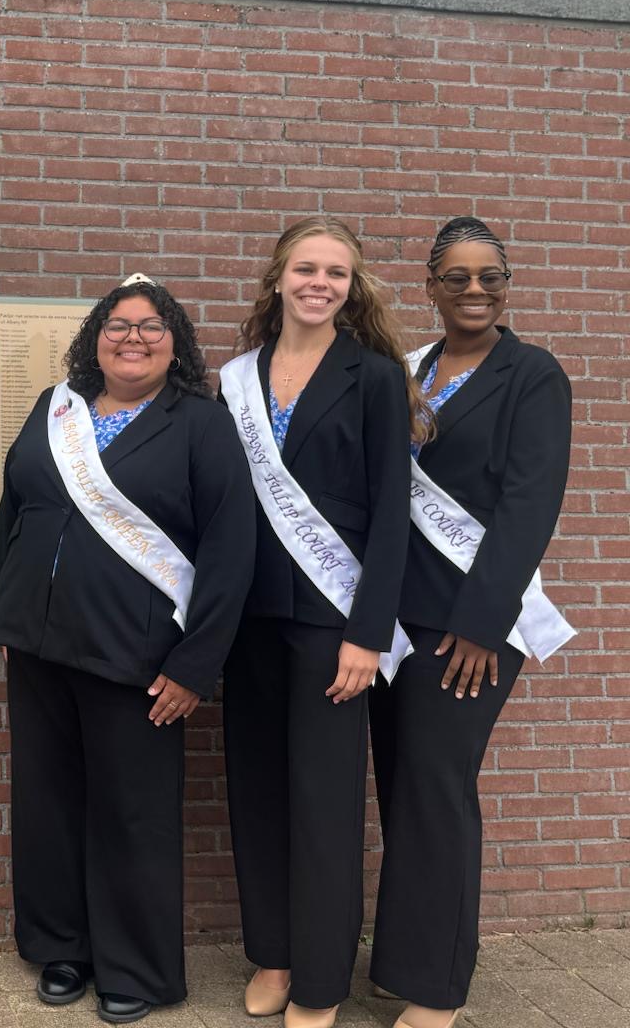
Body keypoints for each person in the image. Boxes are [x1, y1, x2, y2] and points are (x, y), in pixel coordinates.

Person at [0, 275, 255, 1024]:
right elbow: (17, 513)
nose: (132, 337)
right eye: (117, 325)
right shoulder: (55, 410)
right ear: (94, 339)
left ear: (176, 345)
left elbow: (232, 553)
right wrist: (10, 616)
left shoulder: (199, 423)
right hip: (40, 649)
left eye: (151, 327)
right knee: (48, 803)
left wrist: (194, 665)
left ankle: (135, 966)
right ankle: (62, 948)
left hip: (139, 659)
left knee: (131, 813)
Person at [217, 216, 423, 1028]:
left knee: (327, 805)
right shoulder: (237, 377)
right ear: (277, 278)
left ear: (352, 286)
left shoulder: (373, 376)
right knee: (257, 792)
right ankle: (274, 953)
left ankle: (321, 981)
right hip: (251, 621)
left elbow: (391, 515)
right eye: (306, 268)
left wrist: (368, 634)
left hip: (333, 625)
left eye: (337, 273)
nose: (320, 283)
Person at [369, 218, 573, 1028]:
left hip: (470, 627)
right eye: (456, 277)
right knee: (403, 790)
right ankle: (405, 960)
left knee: (438, 792)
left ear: (507, 284)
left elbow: (530, 505)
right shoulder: (408, 368)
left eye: (490, 275)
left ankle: (439, 989)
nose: (475, 290)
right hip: (394, 620)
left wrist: (485, 624)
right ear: (429, 287)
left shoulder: (533, 375)